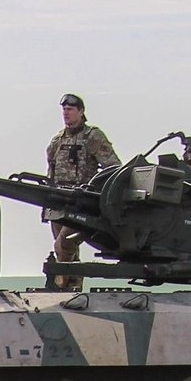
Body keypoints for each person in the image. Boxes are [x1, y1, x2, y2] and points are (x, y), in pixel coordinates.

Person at [44, 93, 118, 290]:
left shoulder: (92, 136)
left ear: (81, 112)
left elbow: (113, 168)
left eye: (70, 110)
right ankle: (72, 287)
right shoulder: (57, 141)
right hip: (58, 202)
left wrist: (97, 195)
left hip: (81, 204)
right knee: (68, 250)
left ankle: (63, 281)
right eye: (64, 110)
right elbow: (50, 173)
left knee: (63, 245)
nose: (66, 114)